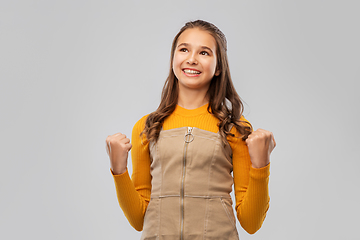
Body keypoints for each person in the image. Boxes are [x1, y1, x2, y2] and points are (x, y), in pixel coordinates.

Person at [106, 20, 276, 240]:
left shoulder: (234, 127)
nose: (192, 59)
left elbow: (251, 223)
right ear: (173, 59)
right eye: (184, 49)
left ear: (219, 67)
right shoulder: (147, 127)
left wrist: (261, 166)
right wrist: (119, 170)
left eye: (204, 52)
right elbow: (139, 220)